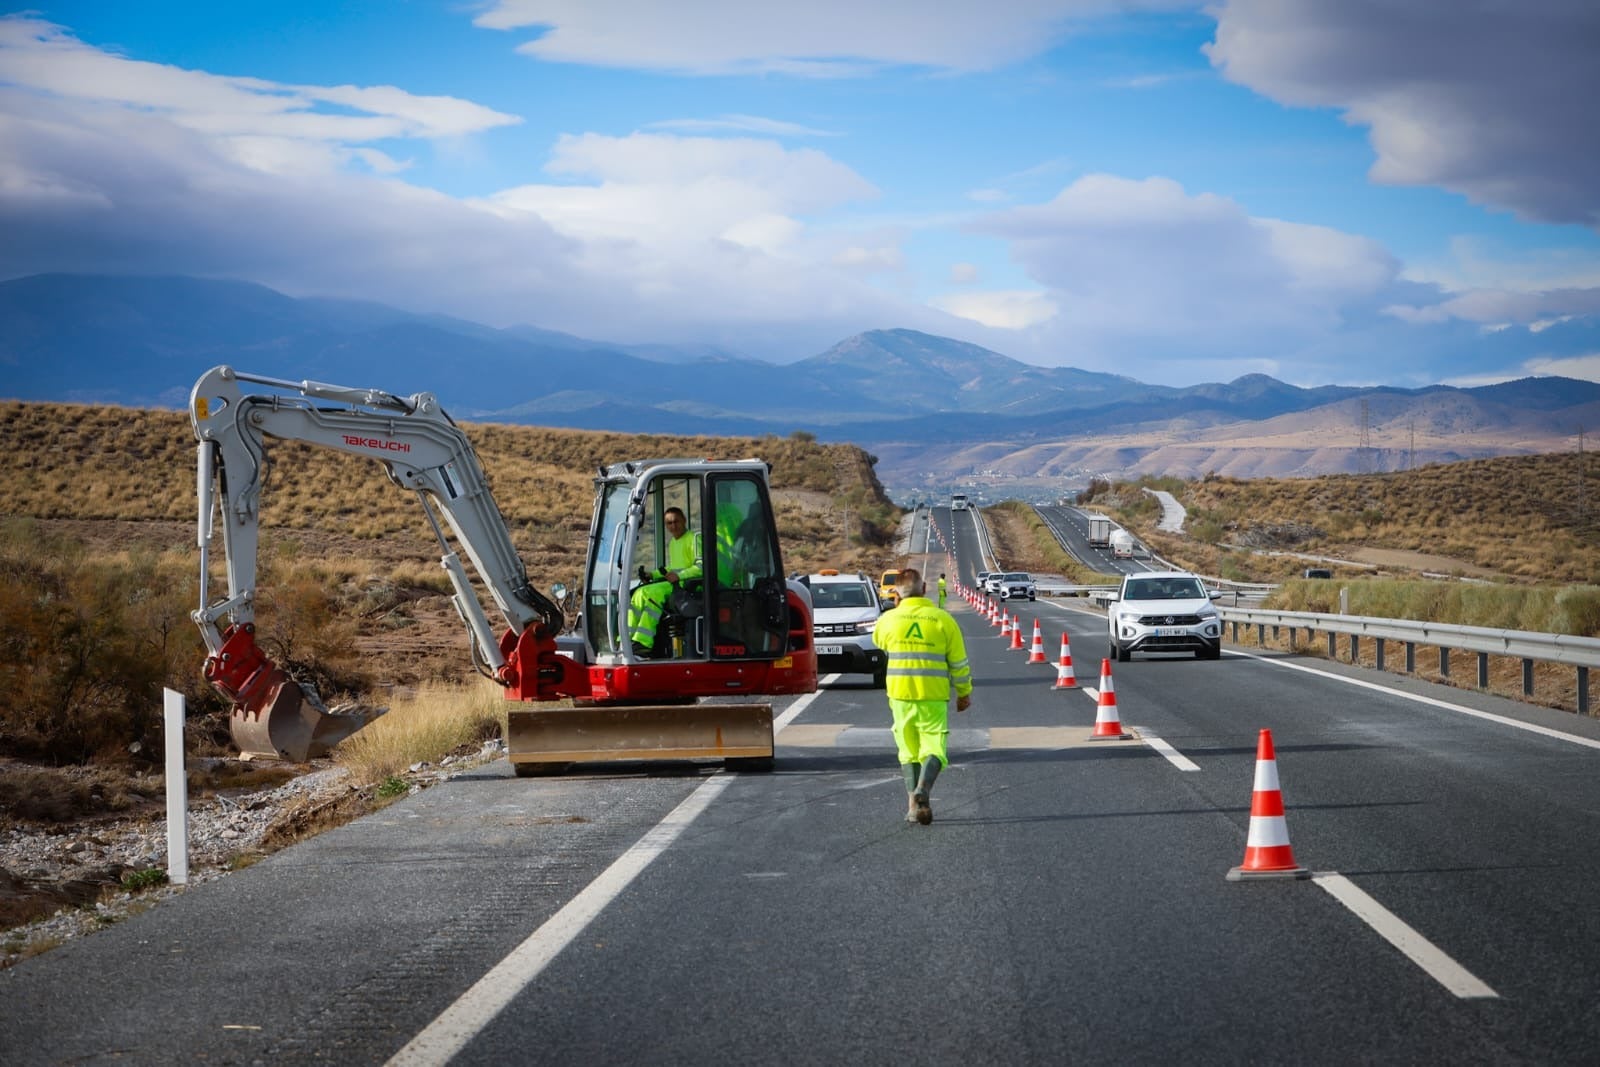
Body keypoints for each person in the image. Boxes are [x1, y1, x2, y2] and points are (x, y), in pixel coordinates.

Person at [871, 567, 972, 825]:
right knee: (935, 748)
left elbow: (879, 642)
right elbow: (959, 664)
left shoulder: (888, 620)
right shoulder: (943, 620)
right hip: (933, 695)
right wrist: (964, 693)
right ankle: (923, 790)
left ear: (896, 594)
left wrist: (897, 609)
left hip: (900, 695)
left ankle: (913, 807)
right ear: (925, 590)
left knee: (907, 751)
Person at [627, 507, 702, 655]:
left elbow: (701, 567)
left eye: (676, 521)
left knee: (652, 594)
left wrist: (679, 576)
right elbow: (673, 568)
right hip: (676, 583)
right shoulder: (674, 543)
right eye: (669, 523)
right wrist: (652, 575)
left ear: (684, 521)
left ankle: (644, 642)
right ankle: (626, 639)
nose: (673, 526)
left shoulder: (694, 539)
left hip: (687, 585)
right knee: (639, 592)